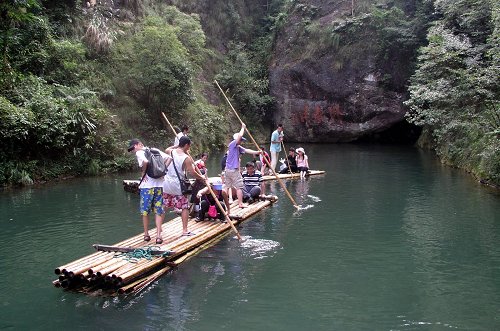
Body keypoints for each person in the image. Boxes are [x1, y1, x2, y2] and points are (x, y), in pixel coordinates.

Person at [163, 136, 206, 237]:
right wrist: (202, 177)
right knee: (184, 207)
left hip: (166, 183)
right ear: (186, 145)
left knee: (164, 205)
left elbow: (167, 148)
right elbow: (192, 173)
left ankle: (159, 230)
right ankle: (185, 230)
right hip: (178, 185)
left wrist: (177, 145)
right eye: (189, 146)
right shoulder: (186, 158)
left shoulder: (170, 151)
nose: (189, 148)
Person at [128, 138, 168, 244]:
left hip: (147, 187)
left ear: (137, 145)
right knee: (158, 210)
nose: (133, 151)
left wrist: (143, 172)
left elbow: (145, 161)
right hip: (159, 186)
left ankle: (146, 234)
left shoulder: (140, 152)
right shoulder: (154, 150)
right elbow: (169, 159)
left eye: (132, 148)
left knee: (145, 211)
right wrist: (163, 172)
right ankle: (159, 236)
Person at [224, 123, 261, 208]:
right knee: (239, 187)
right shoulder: (233, 144)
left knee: (227, 186)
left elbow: (247, 150)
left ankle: (225, 204)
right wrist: (243, 128)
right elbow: (240, 135)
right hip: (233, 170)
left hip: (228, 170)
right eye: (240, 140)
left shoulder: (238, 147)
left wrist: (257, 152)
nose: (241, 142)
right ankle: (240, 204)